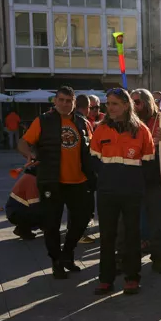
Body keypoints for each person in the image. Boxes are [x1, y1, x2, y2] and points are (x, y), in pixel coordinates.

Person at [16, 86, 98, 279]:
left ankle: (67, 253)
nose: (64, 104)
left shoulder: (83, 123)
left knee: (83, 218)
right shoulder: (43, 121)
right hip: (51, 180)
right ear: (55, 101)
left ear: (74, 102)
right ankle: (56, 261)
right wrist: (29, 154)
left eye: (68, 101)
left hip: (79, 181)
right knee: (51, 224)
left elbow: (92, 150)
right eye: (61, 100)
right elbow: (23, 142)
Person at [90, 88, 155, 295]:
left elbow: (149, 164)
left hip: (132, 192)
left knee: (131, 236)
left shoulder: (142, 130)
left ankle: (132, 277)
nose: (110, 107)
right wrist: (107, 176)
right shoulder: (100, 129)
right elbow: (92, 159)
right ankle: (106, 280)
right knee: (107, 236)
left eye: (115, 103)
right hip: (107, 192)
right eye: (108, 103)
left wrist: (135, 183)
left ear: (126, 105)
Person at [134, 89, 161, 275]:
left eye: (138, 102)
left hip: (155, 178)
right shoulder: (129, 122)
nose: (134, 106)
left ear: (148, 102)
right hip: (133, 178)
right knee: (130, 222)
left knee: (157, 222)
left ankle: (158, 259)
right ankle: (127, 258)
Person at [75, 94, 101, 245]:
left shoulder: (69, 120)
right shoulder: (83, 122)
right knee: (83, 204)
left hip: (75, 169)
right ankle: (79, 233)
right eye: (93, 108)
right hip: (84, 170)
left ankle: (78, 231)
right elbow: (88, 149)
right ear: (87, 107)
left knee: (78, 204)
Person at [6, 165, 43, 240]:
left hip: (14, 211)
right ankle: (23, 230)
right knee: (43, 212)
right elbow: (35, 205)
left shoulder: (29, 176)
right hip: (17, 212)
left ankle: (22, 229)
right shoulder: (32, 180)